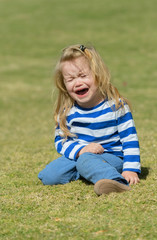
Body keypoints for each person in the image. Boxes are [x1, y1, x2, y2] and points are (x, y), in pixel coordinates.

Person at [38, 44, 141, 195]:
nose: (77, 82)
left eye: (83, 76)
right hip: (81, 155)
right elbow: (61, 141)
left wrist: (130, 169)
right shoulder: (67, 111)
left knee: (86, 161)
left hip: (112, 156)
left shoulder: (116, 105)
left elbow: (130, 139)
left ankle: (116, 182)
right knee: (49, 175)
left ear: (98, 75)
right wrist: (81, 150)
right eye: (70, 79)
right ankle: (88, 171)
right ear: (64, 84)